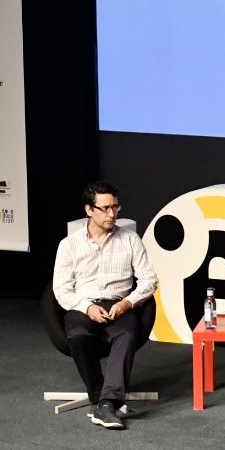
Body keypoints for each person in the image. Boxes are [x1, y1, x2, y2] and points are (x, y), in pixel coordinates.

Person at [51, 180, 158, 430]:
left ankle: (107, 403)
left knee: (127, 334)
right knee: (79, 335)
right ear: (89, 210)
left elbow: (149, 280)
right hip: (83, 305)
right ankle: (101, 398)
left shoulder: (130, 240)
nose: (112, 214)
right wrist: (87, 307)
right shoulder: (69, 245)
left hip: (119, 304)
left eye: (115, 207)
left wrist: (128, 302)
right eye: (105, 208)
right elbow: (61, 289)